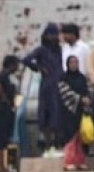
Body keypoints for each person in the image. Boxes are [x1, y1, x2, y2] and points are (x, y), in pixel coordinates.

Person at [22, 22, 63, 155]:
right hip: (46, 87)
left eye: (55, 34)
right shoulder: (41, 50)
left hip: (59, 87)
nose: (53, 37)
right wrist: (39, 68)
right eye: (50, 34)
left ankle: (57, 146)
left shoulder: (60, 50)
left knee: (58, 117)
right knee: (45, 116)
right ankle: (47, 145)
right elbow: (26, 60)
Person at [59, 55, 90, 170]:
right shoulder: (63, 78)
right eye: (71, 62)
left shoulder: (81, 77)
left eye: (76, 62)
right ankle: (69, 161)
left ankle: (79, 161)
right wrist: (79, 98)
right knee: (70, 136)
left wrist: (87, 99)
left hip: (80, 111)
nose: (74, 64)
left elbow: (87, 89)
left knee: (80, 136)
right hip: (68, 111)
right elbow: (65, 93)